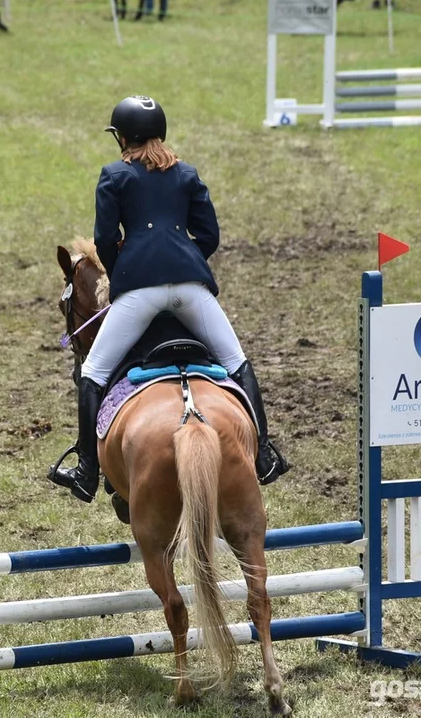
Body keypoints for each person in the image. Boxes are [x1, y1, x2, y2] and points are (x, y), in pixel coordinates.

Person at [49, 96, 289, 503]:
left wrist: (127, 266)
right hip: (189, 286)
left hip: (139, 291)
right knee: (237, 362)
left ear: (121, 137)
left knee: (92, 372)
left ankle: (87, 468)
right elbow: (209, 235)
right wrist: (182, 259)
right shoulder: (186, 174)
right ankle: (264, 454)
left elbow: (106, 240)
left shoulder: (113, 176)